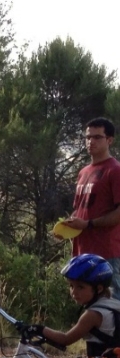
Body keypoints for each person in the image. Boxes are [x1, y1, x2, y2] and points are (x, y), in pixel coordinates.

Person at [61, 117, 120, 300]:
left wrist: (88, 224)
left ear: (109, 140)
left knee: (111, 305)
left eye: (97, 137)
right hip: (83, 252)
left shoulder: (115, 170)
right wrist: (66, 228)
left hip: (106, 253)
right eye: (87, 137)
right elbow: (80, 209)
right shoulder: (83, 172)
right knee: (88, 306)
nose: (90, 142)